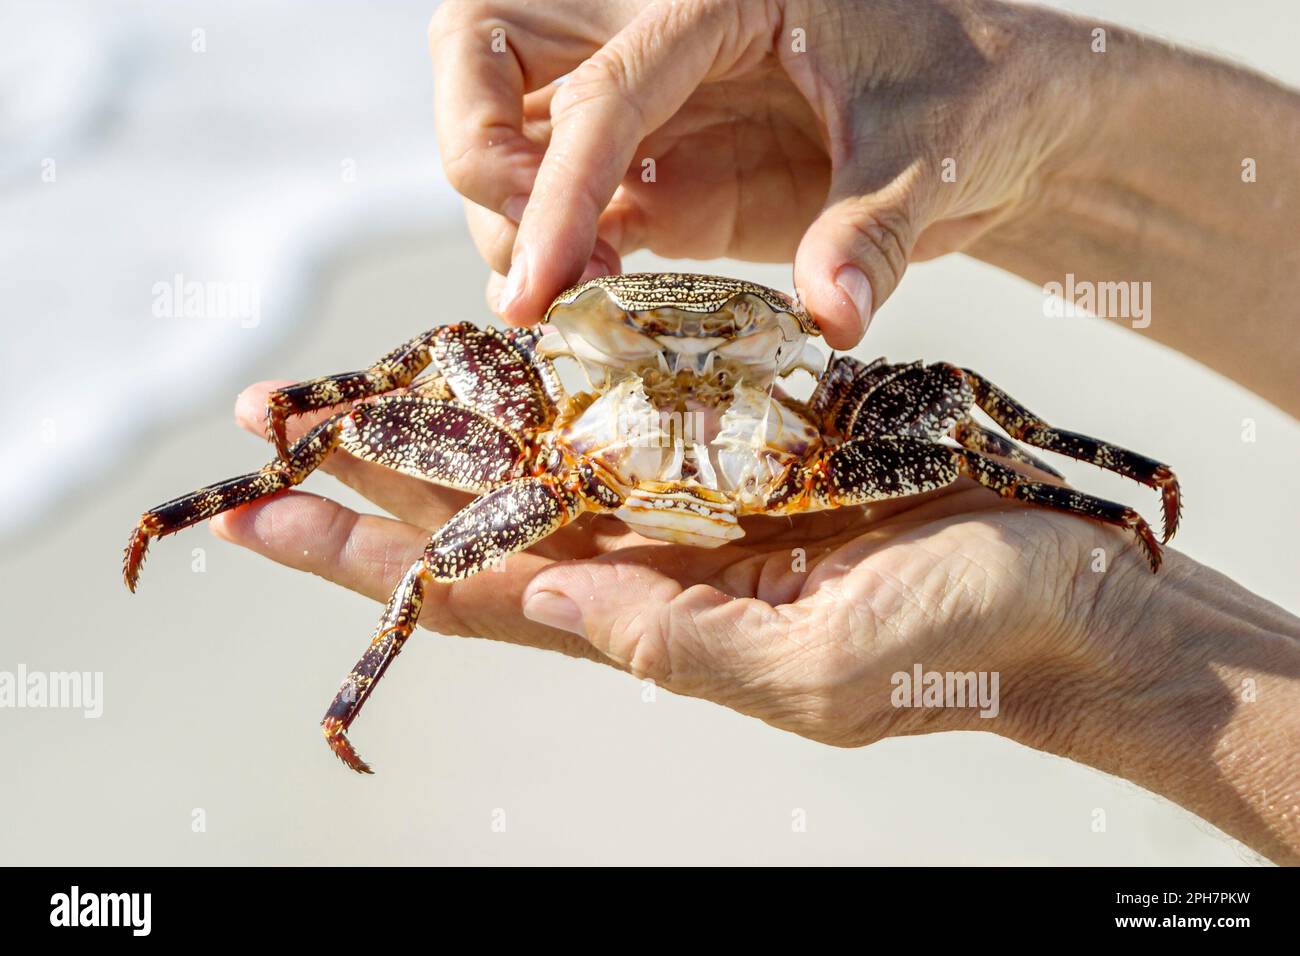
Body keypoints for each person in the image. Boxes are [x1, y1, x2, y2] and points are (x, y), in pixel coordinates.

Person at [211, 0, 1300, 863]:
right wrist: (318, 413)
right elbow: (423, 365)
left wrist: (1095, 574)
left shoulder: (838, 428)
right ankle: (327, 658)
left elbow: (972, 423)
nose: (682, 362)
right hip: (566, 469)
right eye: (643, 339)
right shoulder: (526, 434)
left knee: (959, 420)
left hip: (788, 467)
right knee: (405, 452)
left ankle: (1092, 484)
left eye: (719, 346)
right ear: (568, 340)